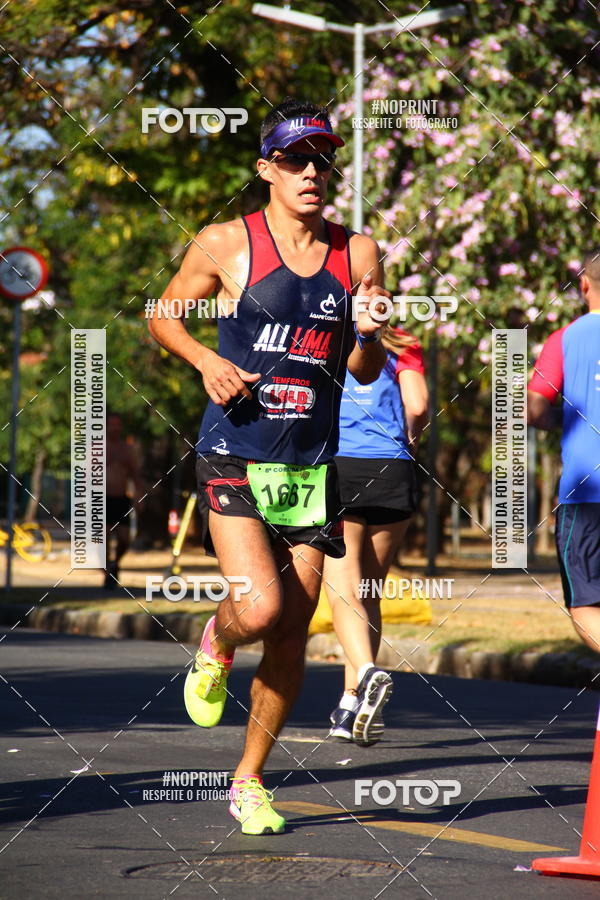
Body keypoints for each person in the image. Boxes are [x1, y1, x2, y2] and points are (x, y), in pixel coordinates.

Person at [148, 97, 393, 835]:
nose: (313, 171)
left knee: (292, 631)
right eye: (295, 159)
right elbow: (162, 312)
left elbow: (366, 368)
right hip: (234, 450)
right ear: (266, 170)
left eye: (324, 158)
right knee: (258, 609)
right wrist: (204, 359)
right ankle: (218, 640)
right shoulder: (227, 242)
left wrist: (373, 331)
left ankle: (249, 779)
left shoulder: (359, 253)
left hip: (311, 465)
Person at [323, 326, 428, 743]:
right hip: (392, 469)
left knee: (344, 592)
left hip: (338, 466)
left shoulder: (322, 333)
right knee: (369, 591)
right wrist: (410, 443)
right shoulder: (403, 340)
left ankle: (365, 675)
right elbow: (417, 404)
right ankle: (350, 704)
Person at [528, 248, 600, 654]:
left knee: (586, 606)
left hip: (585, 494)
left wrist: (570, 418)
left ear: (584, 284)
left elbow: (534, 409)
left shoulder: (565, 339)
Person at [104, 412, 144, 589]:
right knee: (103, 538)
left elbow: (135, 476)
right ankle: (107, 572)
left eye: (117, 424)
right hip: (101, 500)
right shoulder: (96, 448)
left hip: (121, 499)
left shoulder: (127, 450)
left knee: (124, 538)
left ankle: (115, 563)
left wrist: (138, 497)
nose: (115, 428)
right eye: (111, 424)